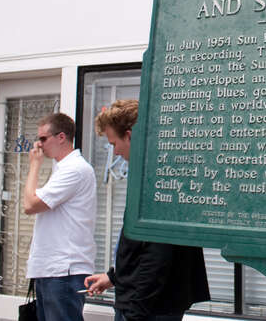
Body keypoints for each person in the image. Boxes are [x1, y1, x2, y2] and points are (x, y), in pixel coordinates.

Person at [84, 99, 210, 321]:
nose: (114, 153)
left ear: (130, 136)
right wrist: (114, 277)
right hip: (147, 303)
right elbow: (141, 244)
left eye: (114, 144)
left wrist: (136, 311)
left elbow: (157, 254)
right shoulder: (160, 171)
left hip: (148, 308)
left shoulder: (158, 179)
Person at [23, 113, 97, 321]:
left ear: (61, 137)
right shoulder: (62, 169)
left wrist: (34, 165)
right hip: (53, 268)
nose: (39, 145)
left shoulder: (74, 169)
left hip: (64, 269)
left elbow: (30, 204)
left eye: (43, 138)